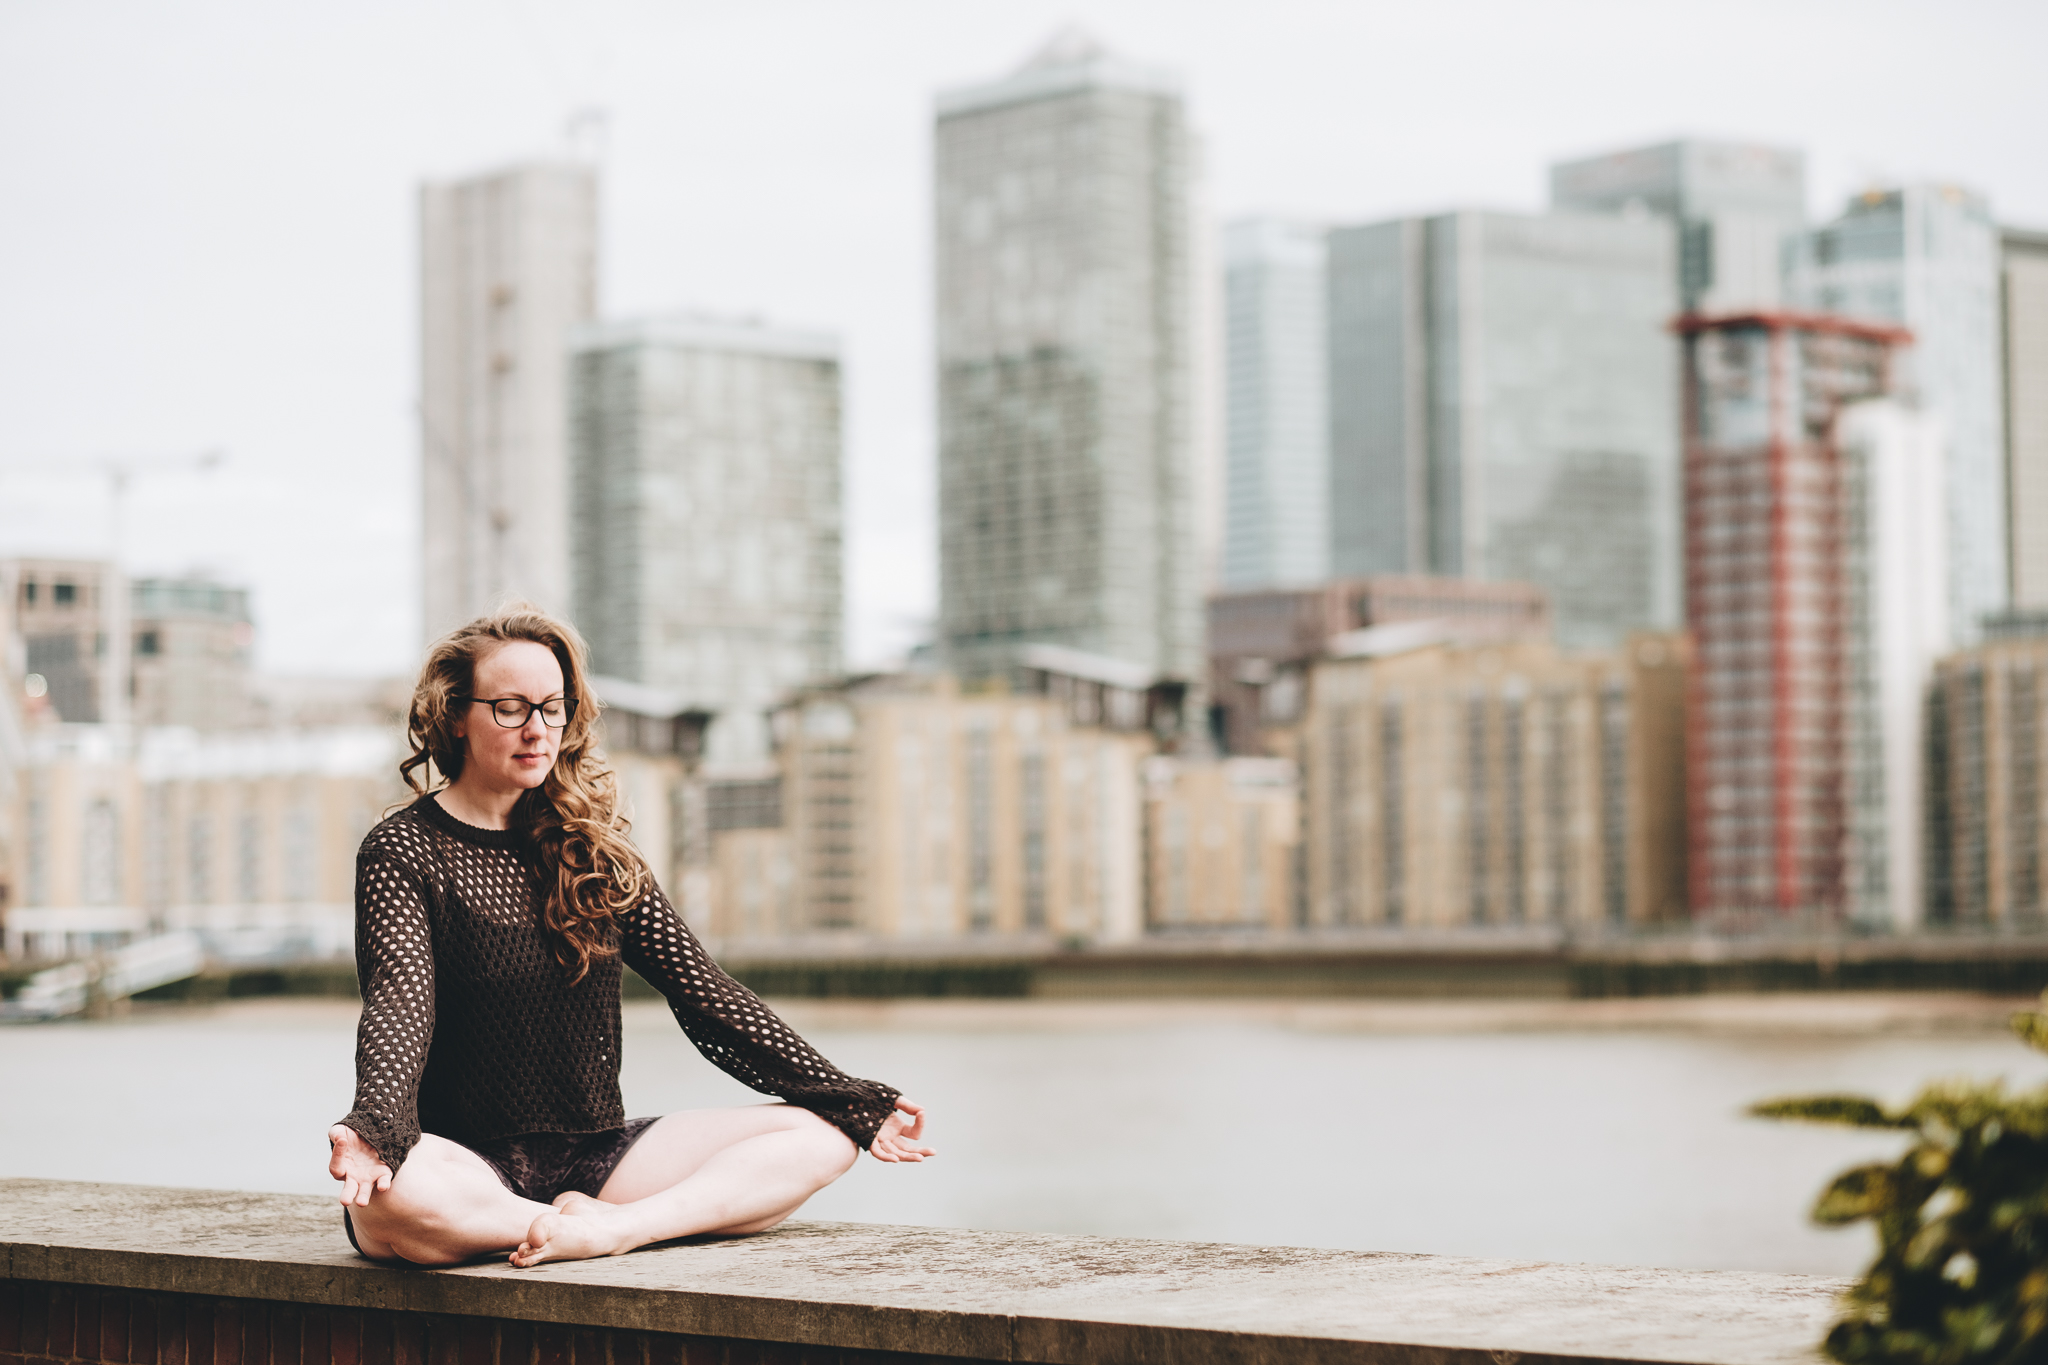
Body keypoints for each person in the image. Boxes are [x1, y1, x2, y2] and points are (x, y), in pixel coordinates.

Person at [325, 605, 931, 1268]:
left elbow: (705, 993)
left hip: (600, 1156)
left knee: (823, 1137)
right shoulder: (402, 851)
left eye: (553, 708)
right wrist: (375, 1124)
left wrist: (848, 1096)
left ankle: (617, 1228)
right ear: (454, 715)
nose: (537, 729)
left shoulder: (594, 854)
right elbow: (399, 1002)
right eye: (510, 708)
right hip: (463, 1158)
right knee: (392, 1193)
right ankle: (588, 1225)